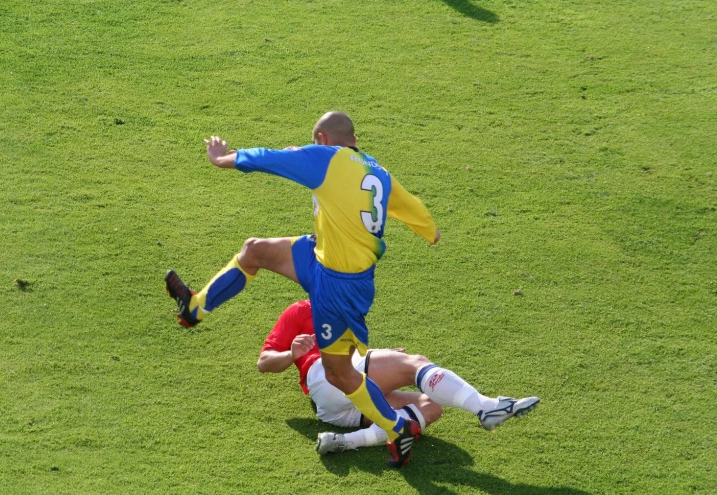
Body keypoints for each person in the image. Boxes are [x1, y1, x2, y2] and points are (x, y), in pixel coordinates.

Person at [165, 111, 439, 467]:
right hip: (320, 254)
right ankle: (194, 308)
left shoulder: (327, 157)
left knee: (340, 373)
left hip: (338, 282)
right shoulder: (378, 172)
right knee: (254, 250)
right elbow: (411, 206)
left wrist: (223, 159)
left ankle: (395, 427)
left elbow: (273, 158)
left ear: (322, 139)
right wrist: (429, 230)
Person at [258, 300, 540, 454]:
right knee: (415, 364)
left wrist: (385, 355)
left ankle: (346, 441)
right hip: (328, 377)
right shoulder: (299, 311)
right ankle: (485, 407)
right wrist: (291, 354)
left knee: (431, 406)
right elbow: (264, 362)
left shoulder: (347, 311)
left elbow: (358, 356)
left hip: (334, 411)